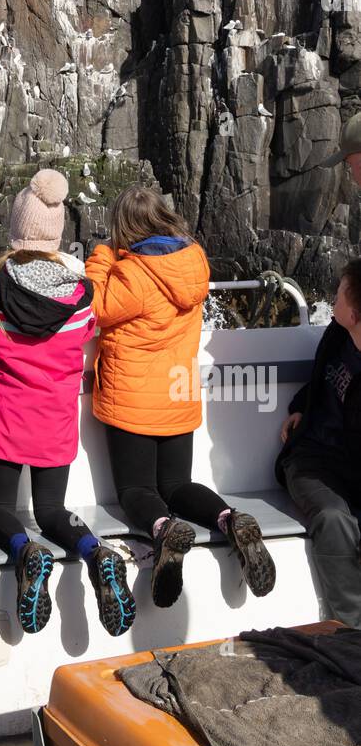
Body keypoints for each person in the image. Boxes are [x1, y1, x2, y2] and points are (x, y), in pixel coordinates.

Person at [0, 169, 136, 638]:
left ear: (16, 228)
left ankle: (27, 552)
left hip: (4, 420)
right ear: (57, 233)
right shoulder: (79, 294)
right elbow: (87, 333)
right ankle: (95, 551)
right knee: (52, 509)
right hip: (56, 422)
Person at [85, 184, 277, 608]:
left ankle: (162, 530)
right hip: (179, 391)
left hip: (133, 396)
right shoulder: (193, 261)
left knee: (136, 490)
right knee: (178, 484)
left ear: (125, 229)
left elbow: (94, 308)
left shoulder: (132, 275)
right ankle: (229, 519)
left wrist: (101, 257)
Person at [275, 260, 361, 628]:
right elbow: (323, 381)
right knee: (333, 518)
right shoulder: (338, 337)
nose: (332, 299)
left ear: (355, 313)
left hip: (353, 466)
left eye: (339, 293)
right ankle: (351, 632)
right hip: (312, 459)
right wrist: (300, 410)